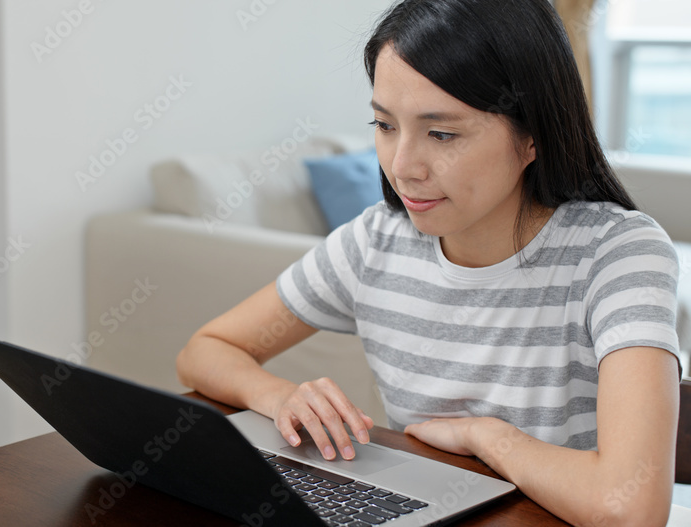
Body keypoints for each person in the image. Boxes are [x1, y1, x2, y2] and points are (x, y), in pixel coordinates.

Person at [175, 0, 682, 524]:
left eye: (441, 134)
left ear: (533, 136)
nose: (402, 167)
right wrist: (278, 397)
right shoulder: (376, 243)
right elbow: (206, 351)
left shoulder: (616, 254)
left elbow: (632, 509)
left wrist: (488, 437)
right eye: (385, 125)